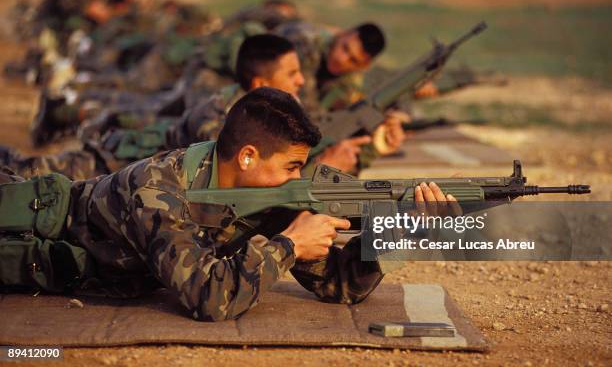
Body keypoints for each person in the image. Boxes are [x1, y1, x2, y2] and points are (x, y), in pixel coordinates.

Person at [0, 87, 455, 321]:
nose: (300, 178)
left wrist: (400, 233)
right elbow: (207, 297)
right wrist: (288, 246)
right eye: (293, 166)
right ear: (248, 156)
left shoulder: (264, 194)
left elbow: (340, 286)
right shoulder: (156, 188)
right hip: (28, 231)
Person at [3, 35, 385, 179]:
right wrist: (323, 167)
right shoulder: (221, 115)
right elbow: (234, 180)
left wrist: (366, 148)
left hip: (138, 175)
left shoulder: (255, 111)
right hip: (111, 163)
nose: (302, 81)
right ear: (261, 84)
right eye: (293, 73)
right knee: (24, 173)